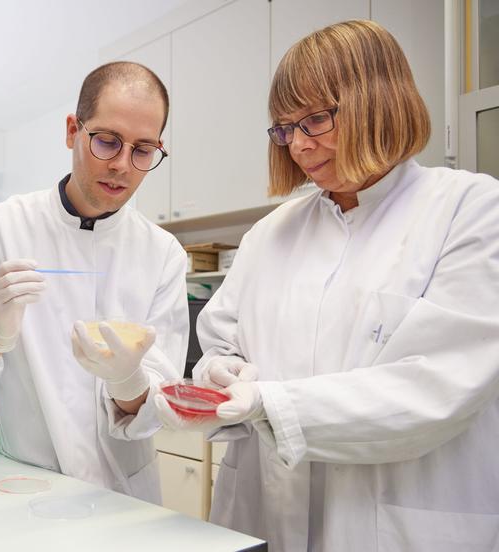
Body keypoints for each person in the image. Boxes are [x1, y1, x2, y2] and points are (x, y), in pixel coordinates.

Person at [155, 19, 499, 551]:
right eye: (285, 127)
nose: (297, 145)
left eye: (314, 120)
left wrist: (269, 403)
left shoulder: (469, 209)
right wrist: (220, 370)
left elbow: (439, 386)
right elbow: (219, 342)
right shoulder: (271, 232)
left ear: (379, 102)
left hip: (392, 526)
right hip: (261, 514)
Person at [0, 61, 188, 504]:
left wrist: (127, 380)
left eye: (143, 150)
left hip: (125, 495)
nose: (122, 165)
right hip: (23, 486)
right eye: (106, 141)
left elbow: (152, 407)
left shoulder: (163, 254)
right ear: (72, 131)